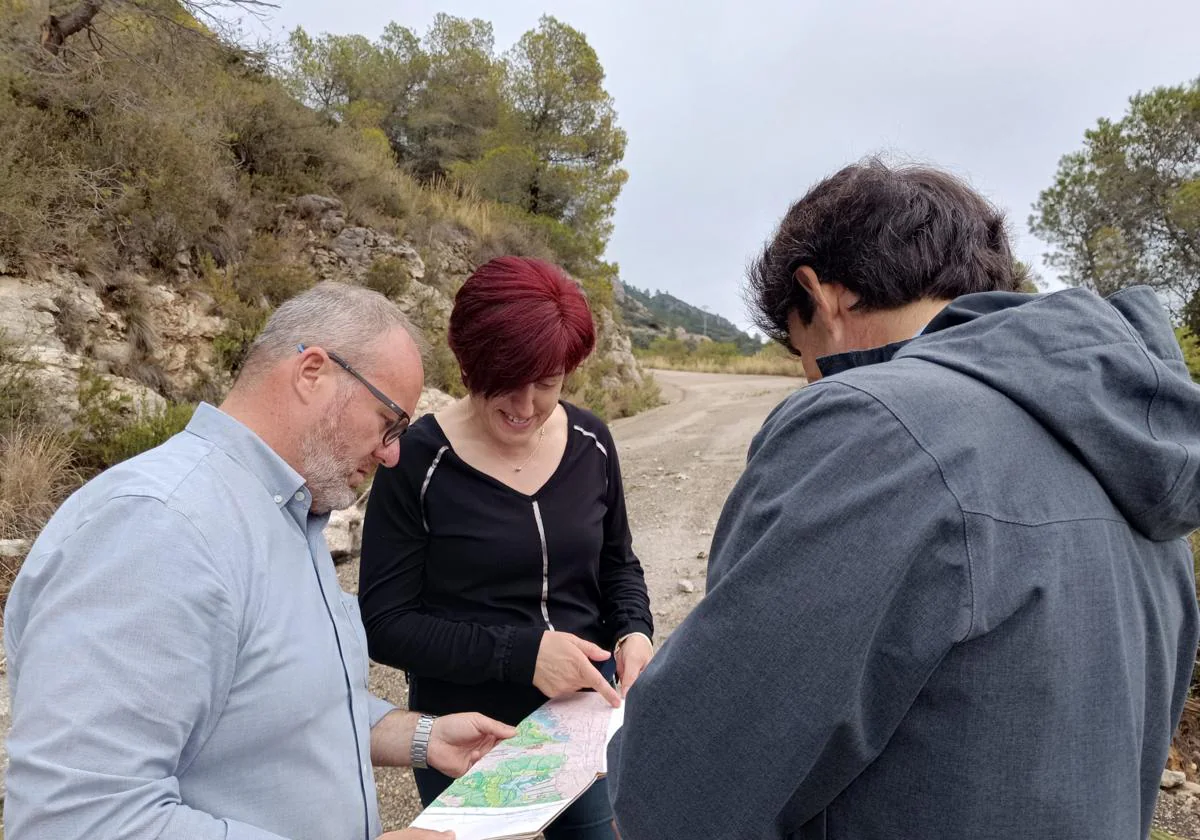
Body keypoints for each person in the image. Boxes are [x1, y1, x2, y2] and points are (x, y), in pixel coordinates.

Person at [607, 160, 1200, 839]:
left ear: (823, 296)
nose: (812, 382)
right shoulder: (1143, 453)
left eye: (805, 358)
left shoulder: (874, 428)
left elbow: (684, 794)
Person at [4, 282, 517, 840]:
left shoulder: (286, 512)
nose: (392, 452)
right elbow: (74, 819)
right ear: (312, 373)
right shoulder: (160, 526)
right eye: (389, 421)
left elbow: (279, 704)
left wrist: (424, 738)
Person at [359, 256, 654, 840]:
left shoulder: (594, 441)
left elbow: (618, 563)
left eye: (547, 382)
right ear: (470, 363)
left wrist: (634, 631)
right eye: (506, 380)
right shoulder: (414, 461)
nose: (525, 406)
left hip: (583, 720)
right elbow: (385, 623)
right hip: (466, 731)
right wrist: (523, 655)